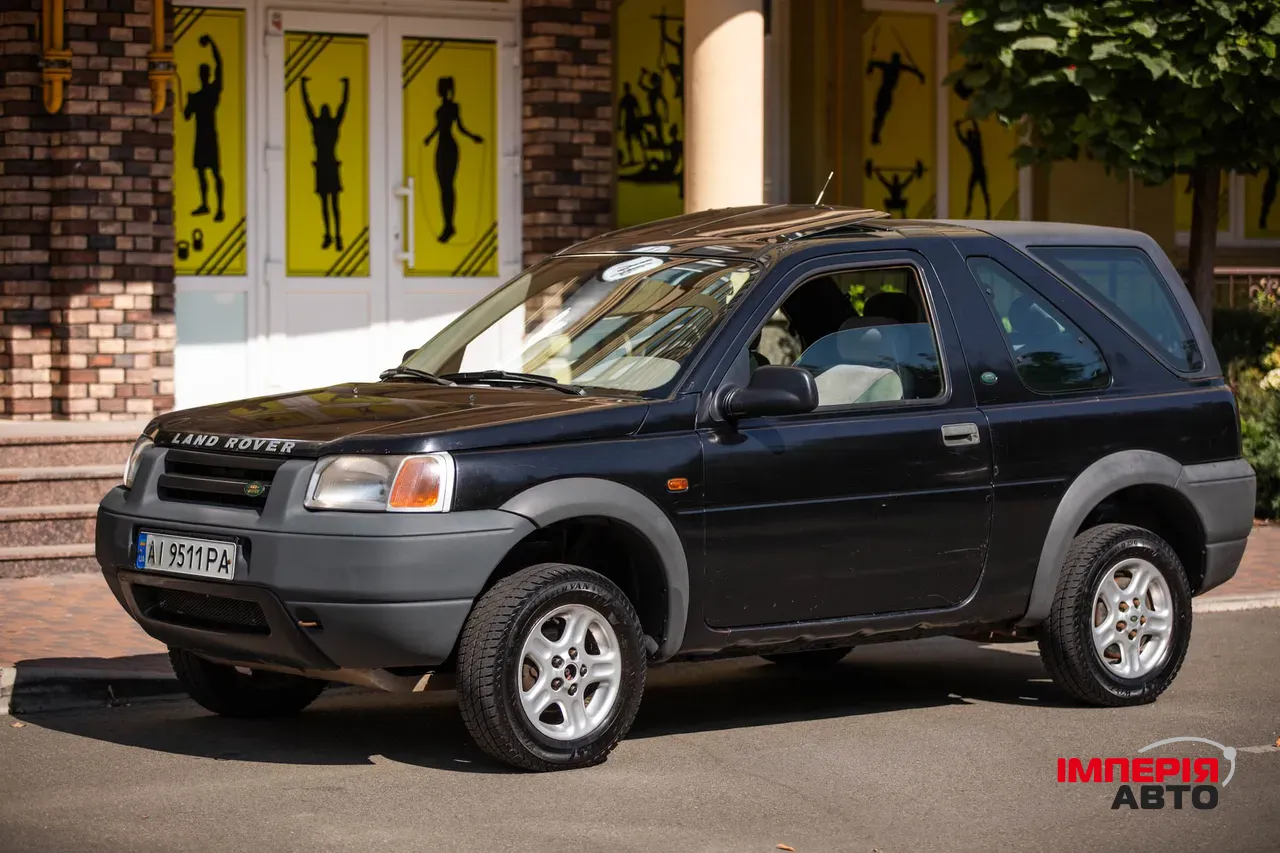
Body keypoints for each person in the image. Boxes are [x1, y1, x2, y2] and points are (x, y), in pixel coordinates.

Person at [423, 76, 483, 244]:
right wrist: (429, 138)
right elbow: (437, 127)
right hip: (440, 147)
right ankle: (447, 224)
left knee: (448, 186)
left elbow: (460, 127)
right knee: (442, 186)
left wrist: (473, 137)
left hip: (449, 147)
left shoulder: (453, 107)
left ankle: (449, 225)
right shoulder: (440, 109)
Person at [300, 75, 349, 252]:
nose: (324, 109)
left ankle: (334, 235)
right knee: (331, 205)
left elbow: (309, 107)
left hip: (324, 166)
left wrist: (303, 87)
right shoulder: (328, 125)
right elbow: (341, 107)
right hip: (326, 166)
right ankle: (332, 235)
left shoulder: (320, 125)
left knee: (330, 205)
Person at [184, 34, 225, 222]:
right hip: (201, 137)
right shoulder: (198, 96)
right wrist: (188, 102)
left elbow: (220, 65)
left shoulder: (211, 91)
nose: (203, 75)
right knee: (201, 172)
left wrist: (213, 43)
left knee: (215, 173)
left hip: (209, 136)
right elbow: (186, 116)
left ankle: (220, 208)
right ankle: (205, 204)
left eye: (205, 72)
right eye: (202, 72)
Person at [866, 51, 924, 145]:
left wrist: (869, 68)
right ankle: (875, 134)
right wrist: (920, 75)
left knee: (880, 115)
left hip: (885, 92)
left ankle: (876, 133)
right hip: (885, 92)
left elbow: (872, 63)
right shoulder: (895, 66)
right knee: (880, 115)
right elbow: (912, 69)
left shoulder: (887, 65)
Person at [955, 119, 990, 218]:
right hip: (978, 170)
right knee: (975, 190)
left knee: (981, 190)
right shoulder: (973, 143)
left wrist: (957, 128)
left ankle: (983, 209)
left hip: (979, 169)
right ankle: (972, 207)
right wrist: (972, 121)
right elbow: (962, 138)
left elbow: (962, 138)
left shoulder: (974, 143)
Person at [638, 68, 667, 147]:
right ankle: (649, 136)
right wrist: (642, 74)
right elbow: (640, 84)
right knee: (638, 122)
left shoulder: (657, 92)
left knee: (660, 137)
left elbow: (665, 103)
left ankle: (650, 137)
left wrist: (666, 116)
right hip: (653, 115)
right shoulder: (652, 91)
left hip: (655, 116)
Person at [617, 82, 643, 166]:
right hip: (629, 120)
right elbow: (620, 112)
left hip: (632, 120)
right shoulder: (626, 99)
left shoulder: (630, 98)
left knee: (638, 139)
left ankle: (643, 157)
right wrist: (619, 124)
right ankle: (632, 158)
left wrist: (640, 119)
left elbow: (638, 109)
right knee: (630, 141)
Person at [1260, 167, 1278, 232]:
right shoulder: (1271, 182)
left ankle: (1262, 223)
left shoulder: (1270, 182)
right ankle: (1262, 223)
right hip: (1268, 196)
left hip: (1268, 196)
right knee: (1265, 209)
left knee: (1265, 209)